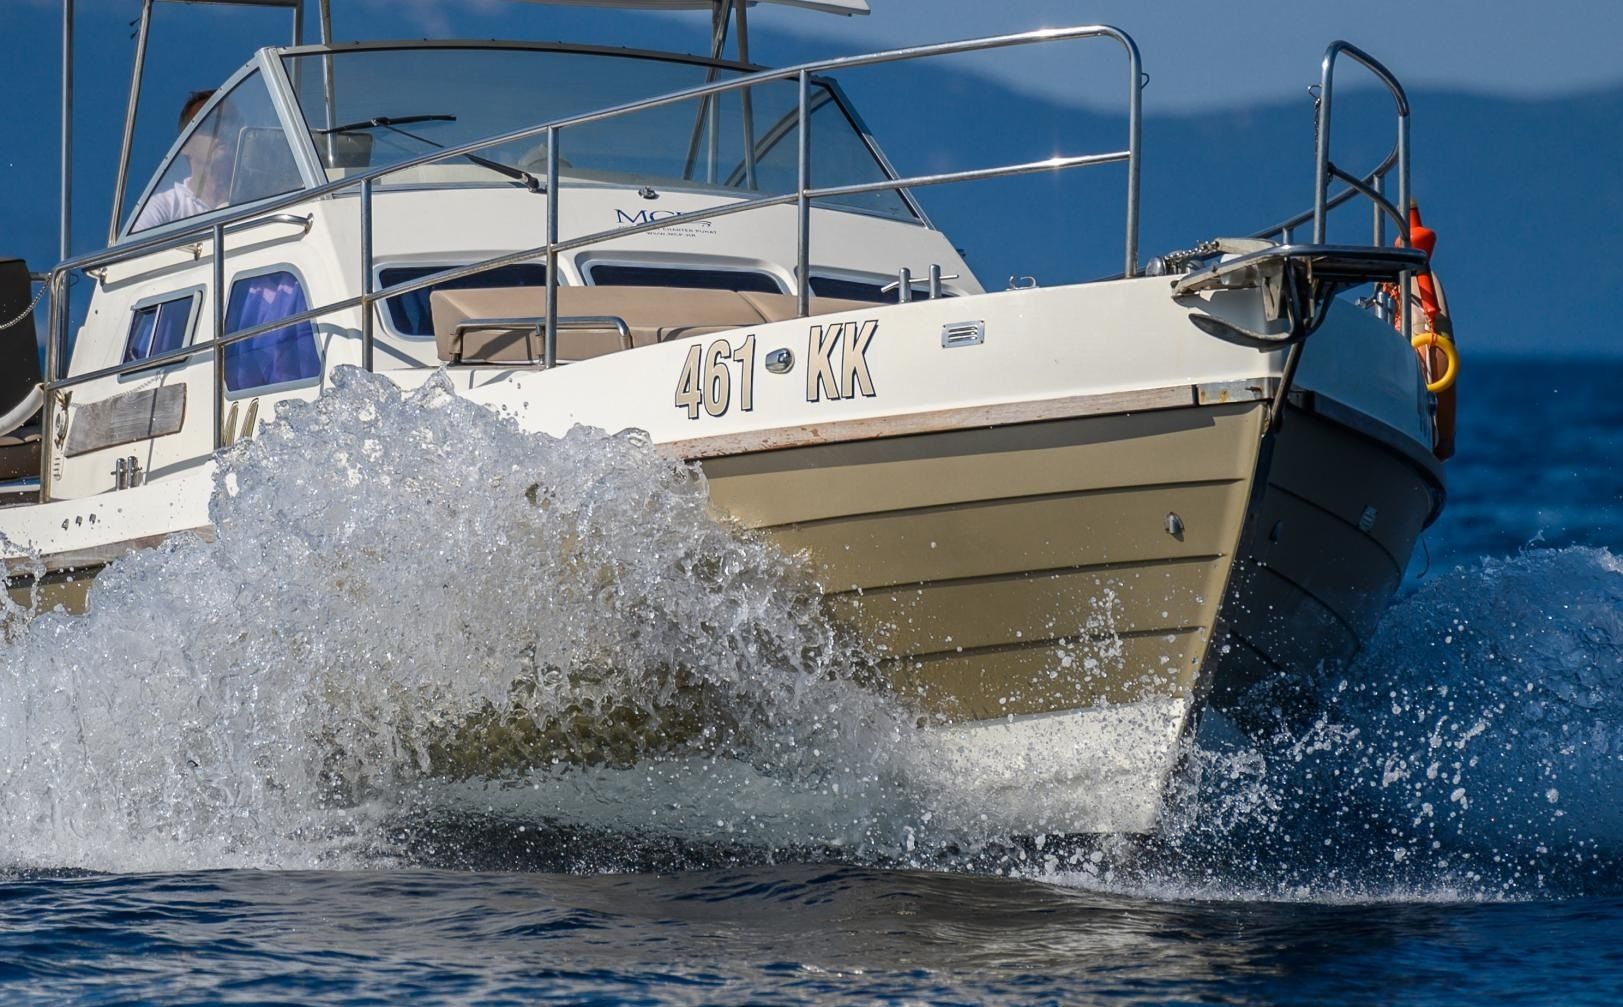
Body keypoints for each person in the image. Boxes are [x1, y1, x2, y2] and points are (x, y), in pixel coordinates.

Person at [132, 89, 237, 232]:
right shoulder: (163, 208)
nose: (223, 131)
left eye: (231, 125)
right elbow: (139, 245)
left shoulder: (258, 196)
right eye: (211, 124)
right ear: (185, 144)